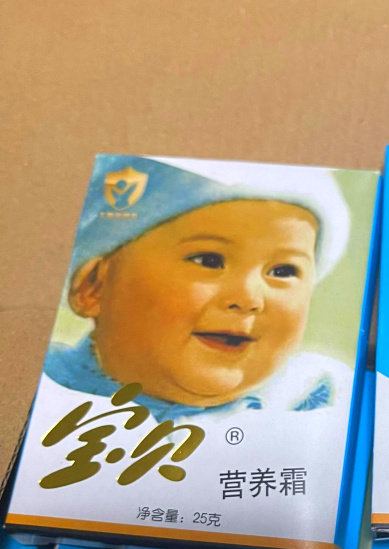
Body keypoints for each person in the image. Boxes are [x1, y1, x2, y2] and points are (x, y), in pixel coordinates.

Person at [44, 155, 353, 421]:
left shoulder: (316, 396)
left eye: (283, 271)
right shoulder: (47, 389)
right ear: (93, 287)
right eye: (209, 261)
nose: (248, 298)